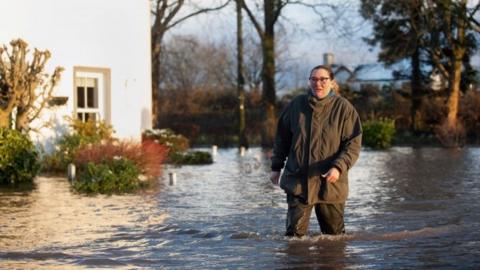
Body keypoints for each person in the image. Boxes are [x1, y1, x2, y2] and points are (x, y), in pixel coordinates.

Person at [270, 65, 362, 236]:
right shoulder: (296, 105)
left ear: (332, 82)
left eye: (323, 79)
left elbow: (353, 145)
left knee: (334, 240)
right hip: (298, 182)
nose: (318, 83)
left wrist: (338, 167)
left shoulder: (344, 108)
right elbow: (281, 139)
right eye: (314, 79)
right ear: (309, 82)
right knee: (294, 240)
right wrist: (276, 167)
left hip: (331, 184)